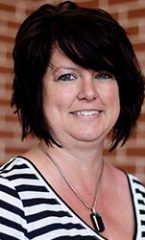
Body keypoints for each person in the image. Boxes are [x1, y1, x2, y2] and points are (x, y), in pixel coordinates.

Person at [0, 1, 145, 239]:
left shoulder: (138, 195)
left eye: (103, 74)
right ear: (37, 91)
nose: (89, 92)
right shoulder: (10, 197)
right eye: (67, 76)